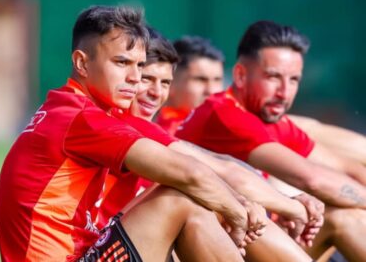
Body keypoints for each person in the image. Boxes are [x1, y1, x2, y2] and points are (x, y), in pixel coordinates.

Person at [0, 5, 268, 262]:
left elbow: (205, 171)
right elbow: (191, 173)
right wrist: (239, 212)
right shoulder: (83, 118)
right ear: (81, 63)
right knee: (178, 198)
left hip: (88, 249)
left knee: (190, 198)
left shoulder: (75, 109)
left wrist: (238, 203)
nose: (136, 78)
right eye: (121, 62)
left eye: (139, 65)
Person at [97, 27, 318, 262]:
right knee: (187, 196)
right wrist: (292, 208)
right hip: (105, 247)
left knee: (203, 199)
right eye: (147, 80)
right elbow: (227, 173)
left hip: (134, 239)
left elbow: (228, 169)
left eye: (164, 82)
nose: (212, 90)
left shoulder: (141, 125)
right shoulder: (210, 116)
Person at [176, 20, 366, 261]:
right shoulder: (225, 114)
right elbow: (314, 180)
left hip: (251, 235)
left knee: (343, 218)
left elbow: (347, 168)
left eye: (294, 80)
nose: (284, 92)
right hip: (217, 244)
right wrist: (289, 205)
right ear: (240, 75)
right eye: (273, 77)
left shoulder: (272, 118)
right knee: (343, 215)